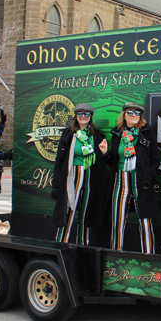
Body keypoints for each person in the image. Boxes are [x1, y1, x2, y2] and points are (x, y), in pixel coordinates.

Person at [104, 102, 160, 254]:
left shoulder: (147, 132)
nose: (134, 115)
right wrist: (105, 153)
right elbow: (113, 161)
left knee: (145, 222)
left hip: (141, 181)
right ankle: (115, 255)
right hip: (120, 180)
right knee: (118, 221)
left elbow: (155, 159)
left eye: (137, 112)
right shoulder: (117, 134)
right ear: (124, 115)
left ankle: (149, 257)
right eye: (130, 112)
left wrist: (151, 175)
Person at [51, 103, 107, 245]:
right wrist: (56, 185)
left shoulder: (97, 135)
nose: (83, 116)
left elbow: (102, 162)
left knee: (85, 212)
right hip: (72, 176)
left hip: (90, 177)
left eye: (86, 114)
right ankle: (61, 243)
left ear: (90, 116)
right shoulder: (68, 134)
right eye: (80, 114)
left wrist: (104, 153)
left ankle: (83, 245)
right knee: (69, 209)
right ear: (76, 116)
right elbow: (59, 160)